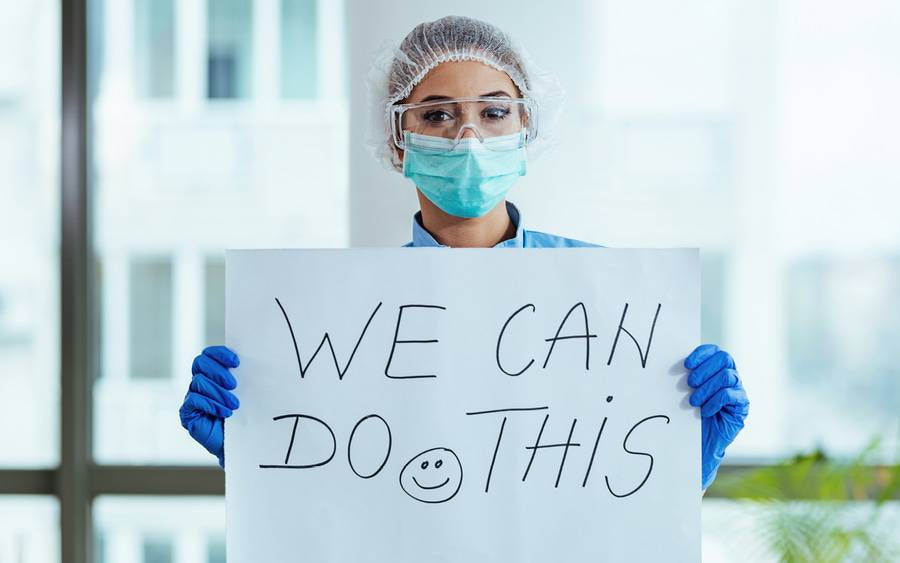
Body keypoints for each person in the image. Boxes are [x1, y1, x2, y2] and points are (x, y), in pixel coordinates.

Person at [179, 15, 749, 491]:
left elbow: (616, 500)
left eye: (494, 112)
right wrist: (257, 448)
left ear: (527, 125)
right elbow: (342, 501)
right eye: (437, 114)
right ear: (397, 136)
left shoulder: (610, 297)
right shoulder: (339, 317)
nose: (468, 137)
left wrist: (687, 455)